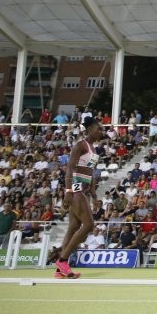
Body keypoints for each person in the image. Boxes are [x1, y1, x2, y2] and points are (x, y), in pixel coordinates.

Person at [54, 117, 105, 279]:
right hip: (76, 188)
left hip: (83, 188)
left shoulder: (93, 150)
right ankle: (62, 261)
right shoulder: (80, 145)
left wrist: (95, 195)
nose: (101, 131)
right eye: (98, 128)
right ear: (89, 129)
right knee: (89, 225)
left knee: (74, 226)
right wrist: (68, 190)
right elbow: (69, 168)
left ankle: (59, 271)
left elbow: (90, 174)